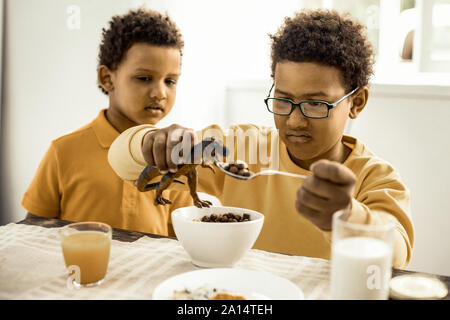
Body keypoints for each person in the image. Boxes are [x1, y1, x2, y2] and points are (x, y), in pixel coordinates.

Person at [108, 9, 414, 268]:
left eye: (316, 104)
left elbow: (395, 256)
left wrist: (347, 214)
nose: (295, 120)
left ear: (356, 102)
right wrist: (150, 142)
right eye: (283, 100)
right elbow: (122, 162)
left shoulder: (375, 178)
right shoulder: (242, 149)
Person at [22, 8, 193, 236]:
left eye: (170, 81)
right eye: (144, 78)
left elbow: (181, 242)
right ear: (107, 79)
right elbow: (31, 235)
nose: (160, 93)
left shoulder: (175, 159)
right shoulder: (63, 152)